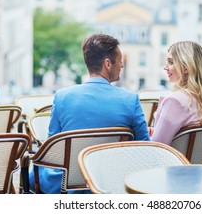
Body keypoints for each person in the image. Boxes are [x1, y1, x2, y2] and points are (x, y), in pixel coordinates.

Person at [29, 33, 150, 194]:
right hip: (111, 185)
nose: (121, 65)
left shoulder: (62, 96)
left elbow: (53, 151)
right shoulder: (130, 100)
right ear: (108, 63)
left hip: (67, 187)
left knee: (32, 174)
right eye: (120, 61)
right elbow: (144, 148)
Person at [151, 41, 202, 145]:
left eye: (171, 62)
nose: (165, 67)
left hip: (176, 160)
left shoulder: (175, 101)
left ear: (186, 67)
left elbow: (157, 146)